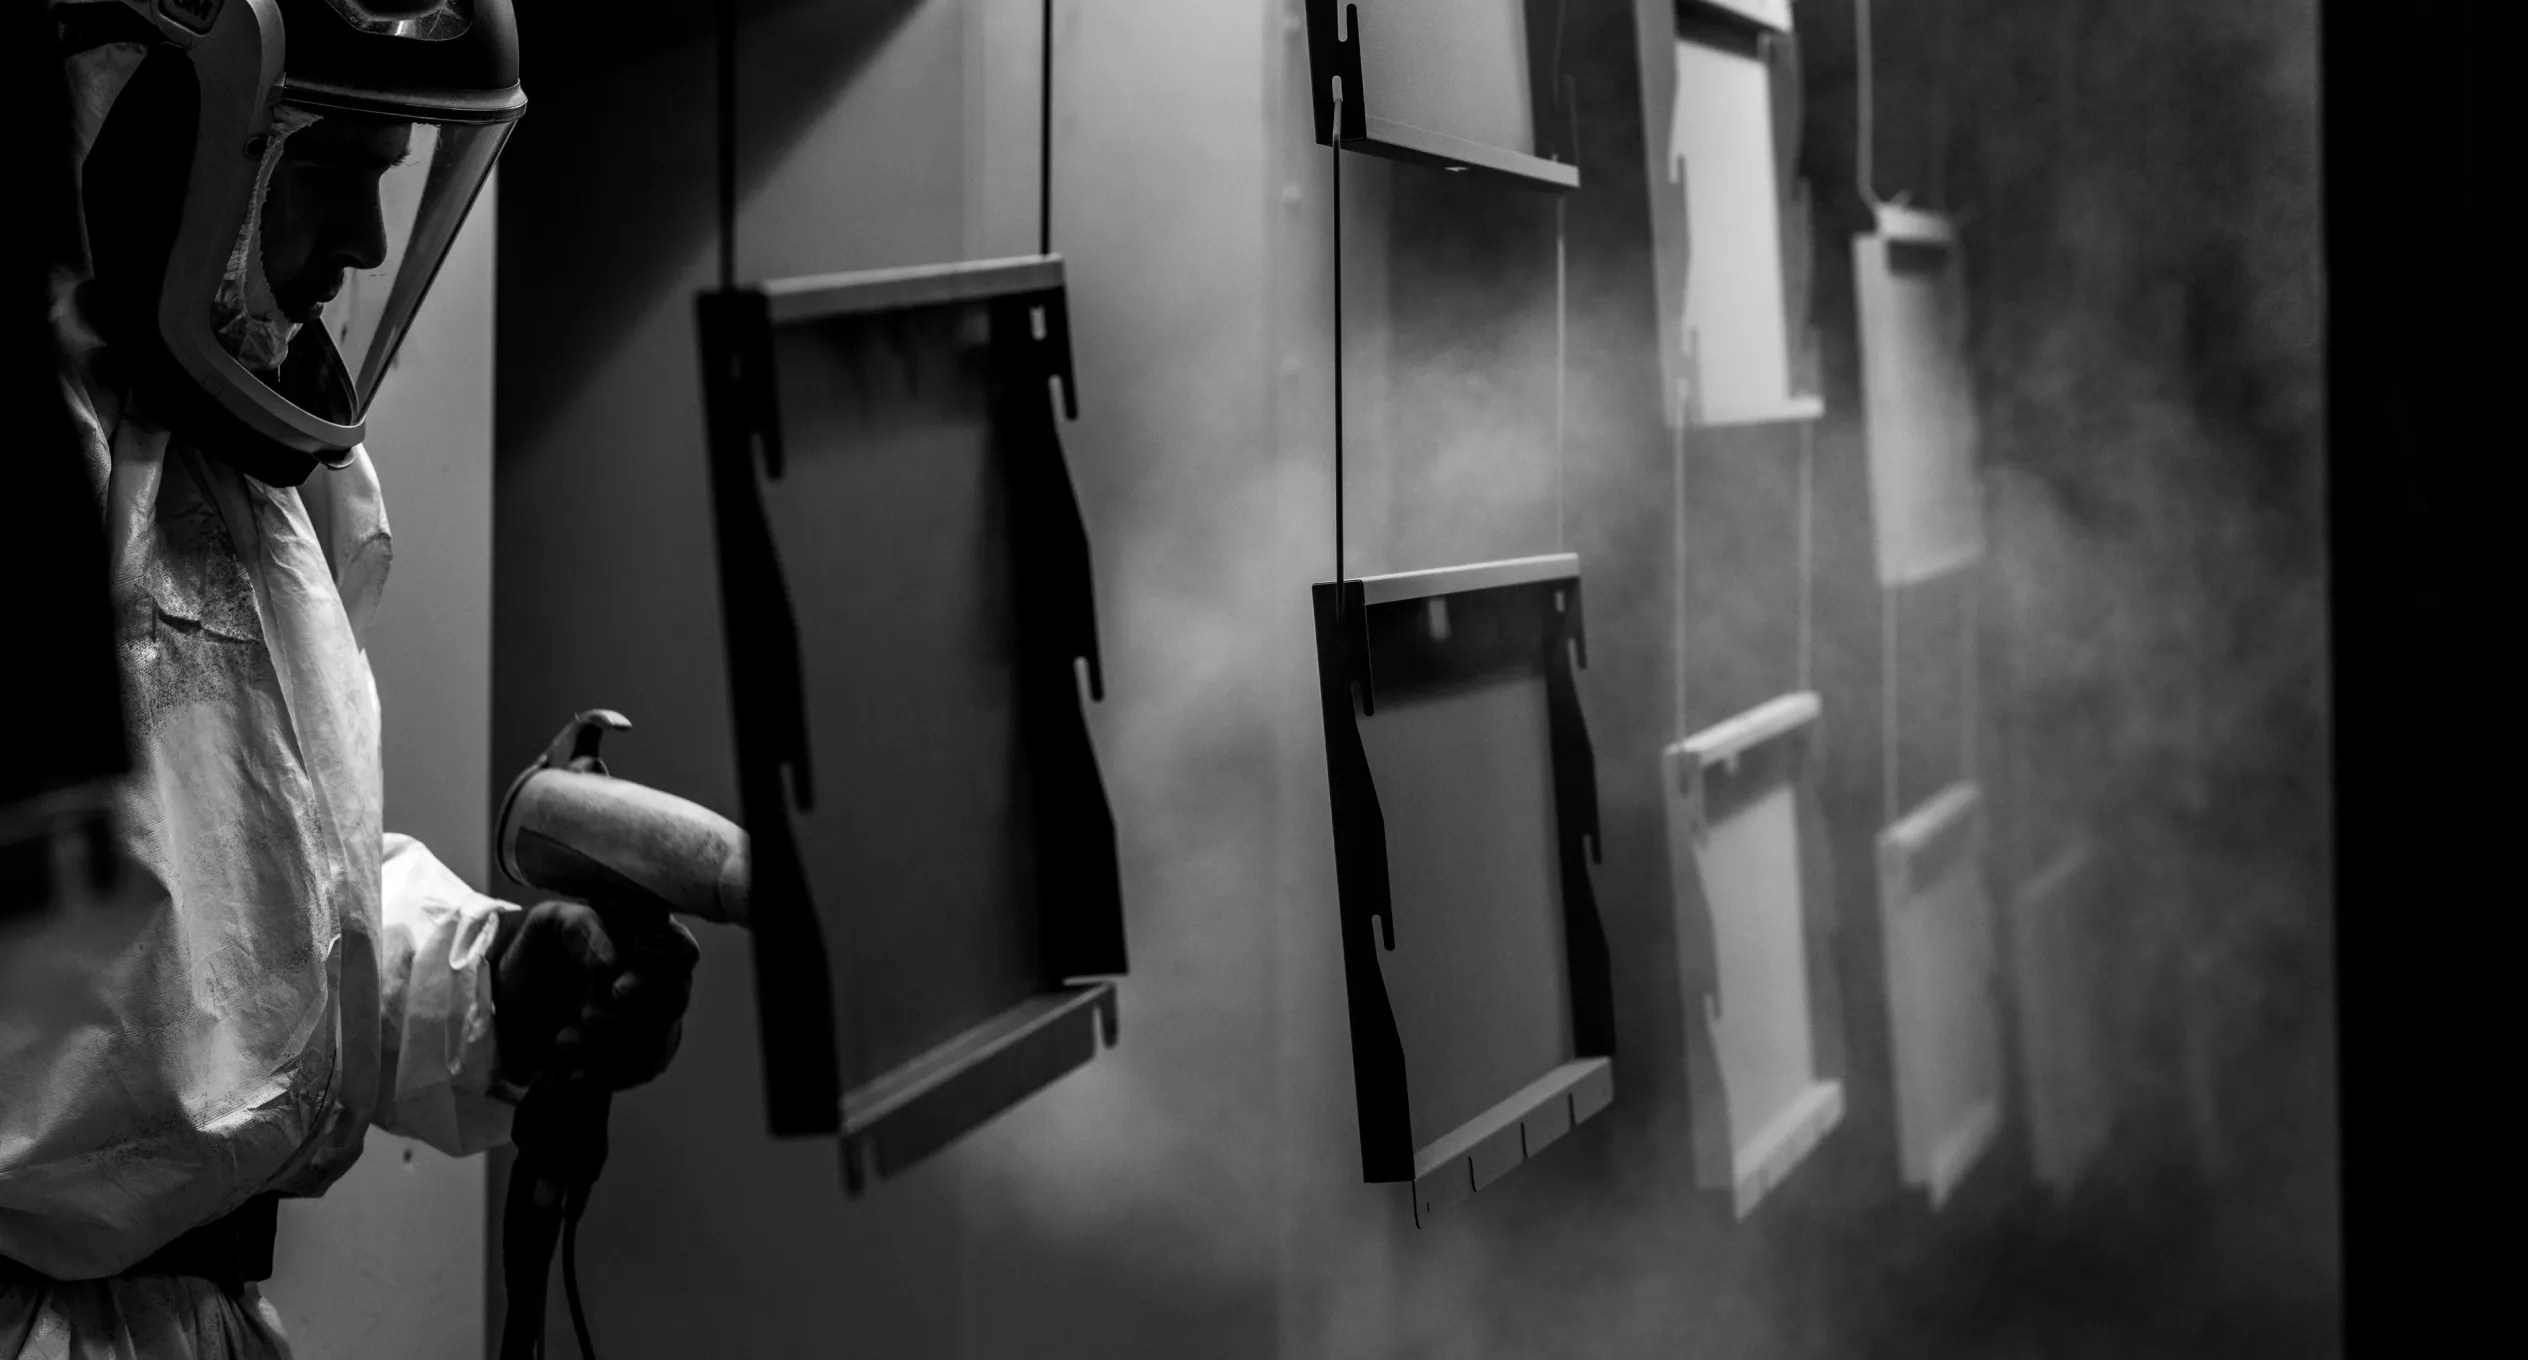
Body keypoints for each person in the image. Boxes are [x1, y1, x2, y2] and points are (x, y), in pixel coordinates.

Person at [1, 3, 698, 1356]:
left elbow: (236, 910)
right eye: (331, 174)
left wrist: (497, 990)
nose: (371, 242)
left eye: (391, 175)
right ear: (159, 138)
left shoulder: (239, 461)